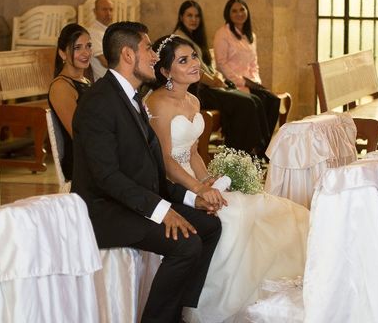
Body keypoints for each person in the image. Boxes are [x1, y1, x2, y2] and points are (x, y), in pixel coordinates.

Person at [146, 35, 310, 323]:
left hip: (192, 181)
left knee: (261, 206)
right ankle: (213, 300)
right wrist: (198, 189)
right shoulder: (158, 104)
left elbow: (194, 152)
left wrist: (209, 179)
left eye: (194, 57)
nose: (195, 64)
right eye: (183, 60)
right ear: (165, 71)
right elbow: (167, 162)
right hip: (169, 186)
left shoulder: (193, 100)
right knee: (235, 216)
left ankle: (259, 284)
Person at [71, 21, 222, 323]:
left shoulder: (132, 97)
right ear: (128, 55)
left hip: (133, 201)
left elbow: (151, 172)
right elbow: (107, 177)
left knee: (209, 227)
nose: (155, 56)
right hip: (105, 210)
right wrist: (161, 210)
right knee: (186, 244)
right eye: (149, 48)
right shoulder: (98, 102)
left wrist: (192, 199)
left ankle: (178, 311)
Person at [173, 0, 272, 154]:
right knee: (245, 103)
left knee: (254, 100)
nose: (194, 19)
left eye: (197, 16)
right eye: (189, 15)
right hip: (196, 91)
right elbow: (192, 70)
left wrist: (216, 78)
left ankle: (250, 151)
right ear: (181, 17)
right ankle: (236, 154)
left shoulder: (192, 37)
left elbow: (207, 66)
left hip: (208, 87)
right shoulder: (179, 39)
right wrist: (214, 81)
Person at [213, 0, 280, 150]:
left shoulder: (251, 35)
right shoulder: (222, 34)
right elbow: (221, 64)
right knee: (258, 101)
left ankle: (265, 146)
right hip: (233, 83)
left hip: (251, 82)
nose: (239, 13)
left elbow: (254, 63)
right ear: (228, 14)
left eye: (242, 9)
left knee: (273, 100)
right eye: (234, 11)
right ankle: (255, 147)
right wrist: (243, 82)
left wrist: (255, 81)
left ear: (247, 11)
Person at [47, 23, 92, 182]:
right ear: (62, 53)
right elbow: (78, 134)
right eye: (77, 48)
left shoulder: (86, 80)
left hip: (93, 153)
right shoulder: (61, 87)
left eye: (88, 46)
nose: (86, 52)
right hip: (80, 163)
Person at [87, 0, 114, 81]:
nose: (108, 13)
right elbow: (105, 62)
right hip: (106, 81)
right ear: (95, 11)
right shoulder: (93, 32)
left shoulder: (110, 30)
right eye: (104, 9)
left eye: (111, 10)